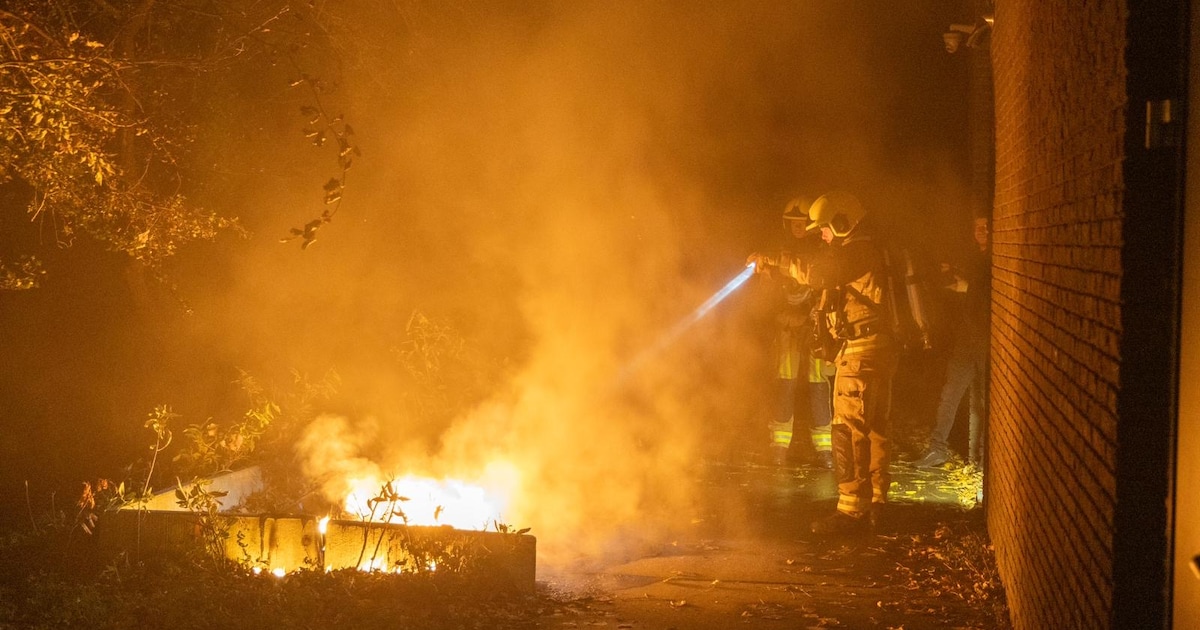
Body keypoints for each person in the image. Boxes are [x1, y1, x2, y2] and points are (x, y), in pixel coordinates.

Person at [804, 191, 901, 534]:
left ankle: (850, 511)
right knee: (876, 429)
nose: (822, 235)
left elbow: (815, 274)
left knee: (847, 430)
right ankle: (878, 503)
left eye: (825, 228)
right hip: (878, 350)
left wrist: (771, 262)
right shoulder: (873, 247)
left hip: (859, 354)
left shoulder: (856, 252)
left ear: (842, 222)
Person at [750, 199, 835, 469]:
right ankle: (779, 446)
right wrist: (761, 269)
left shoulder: (822, 248)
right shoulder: (777, 250)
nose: (799, 228)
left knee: (819, 384)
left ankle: (825, 448)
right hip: (786, 326)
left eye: (803, 224)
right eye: (794, 224)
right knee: (785, 383)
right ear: (787, 224)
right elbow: (768, 293)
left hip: (814, 329)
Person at [915, 216, 991, 468]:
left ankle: (982, 460)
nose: (981, 231)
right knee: (950, 392)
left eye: (986, 227)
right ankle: (937, 449)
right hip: (967, 338)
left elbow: (986, 291)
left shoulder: (997, 258)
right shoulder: (975, 257)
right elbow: (967, 288)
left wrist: (967, 286)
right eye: (977, 227)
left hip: (987, 338)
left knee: (984, 399)